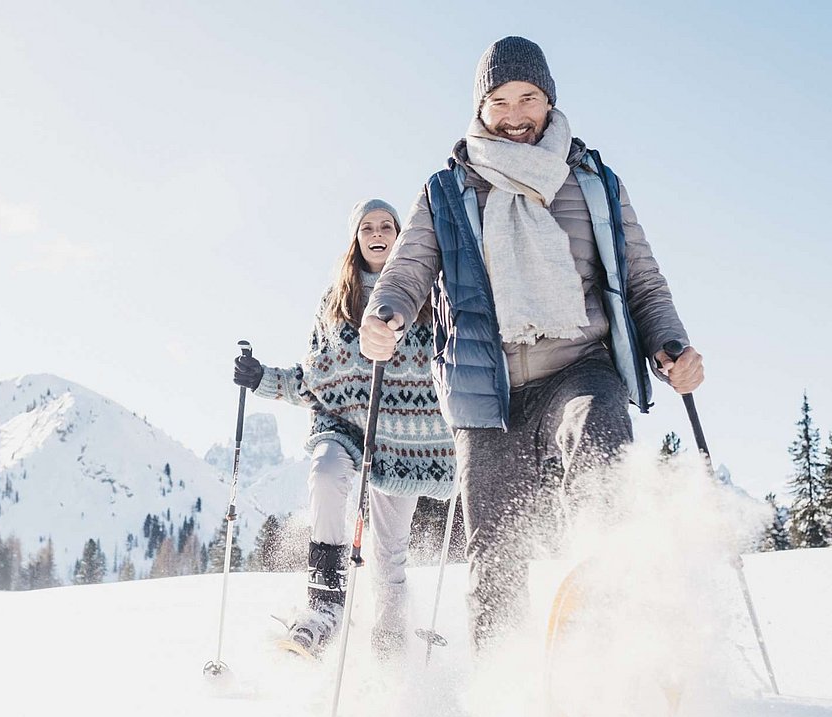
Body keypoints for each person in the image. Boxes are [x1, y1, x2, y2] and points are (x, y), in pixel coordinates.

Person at [358, 37, 705, 654]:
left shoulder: (593, 181)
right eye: (499, 101)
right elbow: (407, 271)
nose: (515, 115)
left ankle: (608, 622)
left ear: (550, 101)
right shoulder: (445, 190)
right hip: (486, 390)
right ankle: (504, 683)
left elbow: (642, 281)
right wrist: (385, 315)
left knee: (600, 439)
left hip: (579, 366)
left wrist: (671, 344)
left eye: (528, 98)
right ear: (480, 107)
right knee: (493, 552)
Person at [233, 199, 455, 658]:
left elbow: (452, 365)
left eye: (387, 226)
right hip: (344, 425)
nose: (377, 234)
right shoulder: (336, 301)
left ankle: (389, 649)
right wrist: (262, 379)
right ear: (356, 239)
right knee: (326, 471)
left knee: (389, 555)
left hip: (405, 441)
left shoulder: (430, 296)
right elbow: (318, 379)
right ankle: (324, 605)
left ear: (400, 236)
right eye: (367, 227)